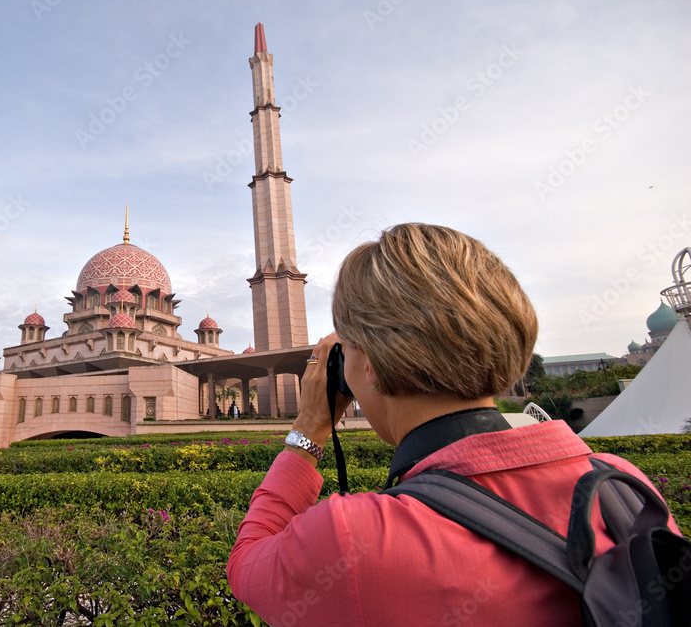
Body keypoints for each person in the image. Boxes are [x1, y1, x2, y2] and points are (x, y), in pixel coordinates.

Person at [226, 223, 681, 627]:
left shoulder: (356, 539)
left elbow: (247, 565)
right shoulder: (624, 487)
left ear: (366, 364)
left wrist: (308, 429)